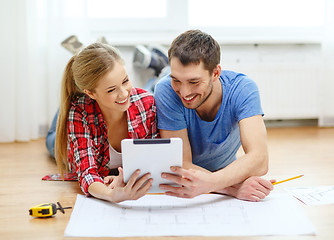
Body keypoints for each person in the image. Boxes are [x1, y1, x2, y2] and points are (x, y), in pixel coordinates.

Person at [154, 30, 275, 202]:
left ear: (216, 73)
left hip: (224, 174)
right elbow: (181, 164)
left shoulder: (243, 89)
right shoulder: (166, 90)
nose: (184, 92)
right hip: (212, 182)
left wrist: (212, 183)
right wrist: (230, 189)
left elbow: (260, 159)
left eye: (194, 82)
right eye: (176, 80)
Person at [55, 43, 158, 203]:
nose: (123, 93)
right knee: (53, 140)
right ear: (90, 93)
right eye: (111, 90)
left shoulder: (147, 103)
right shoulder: (79, 112)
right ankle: (82, 53)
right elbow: (87, 172)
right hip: (75, 136)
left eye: (125, 81)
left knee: (151, 90)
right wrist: (112, 195)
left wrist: (123, 181)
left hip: (120, 106)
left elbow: (154, 160)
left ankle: (158, 73)